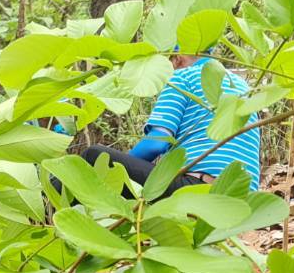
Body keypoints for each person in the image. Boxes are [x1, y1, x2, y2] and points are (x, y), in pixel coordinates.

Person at [78, 52, 262, 196]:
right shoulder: (242, 86)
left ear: (178, 60)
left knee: (94, 157)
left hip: (201, 189)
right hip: (245, 199)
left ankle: (49, 210)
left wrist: (120, 169)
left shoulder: (183, 77)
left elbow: (156, 143)